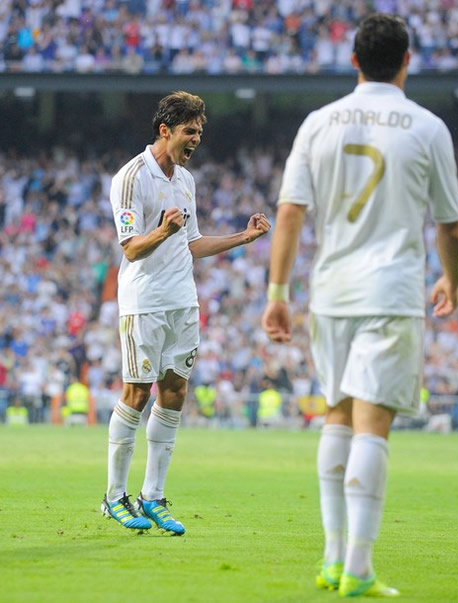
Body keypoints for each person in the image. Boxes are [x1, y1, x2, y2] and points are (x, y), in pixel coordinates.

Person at [262, 14, 458, 598]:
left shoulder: (318, 123)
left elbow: (291, 213)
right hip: (391, 291)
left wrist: (278, 295)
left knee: (336, 413)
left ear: (354, 61)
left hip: (330, 292)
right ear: (408, 61)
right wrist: (452, 280)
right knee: (373, 424)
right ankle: (357, 567)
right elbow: (450, 226)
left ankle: (330, 558)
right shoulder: (427, 127)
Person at [103, 90, 270, 533]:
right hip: (144, 301)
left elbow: (192, 244)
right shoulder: (131, 177)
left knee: (174, 391)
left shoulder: (186, 181)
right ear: (165, 130)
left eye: (200, 131)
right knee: (137, 394)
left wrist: (243, 238)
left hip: (182, 301)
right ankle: (114, 496)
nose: (196, 139)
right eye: (190, 131)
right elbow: (131, 247)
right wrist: (162, 229)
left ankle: (152, 496)